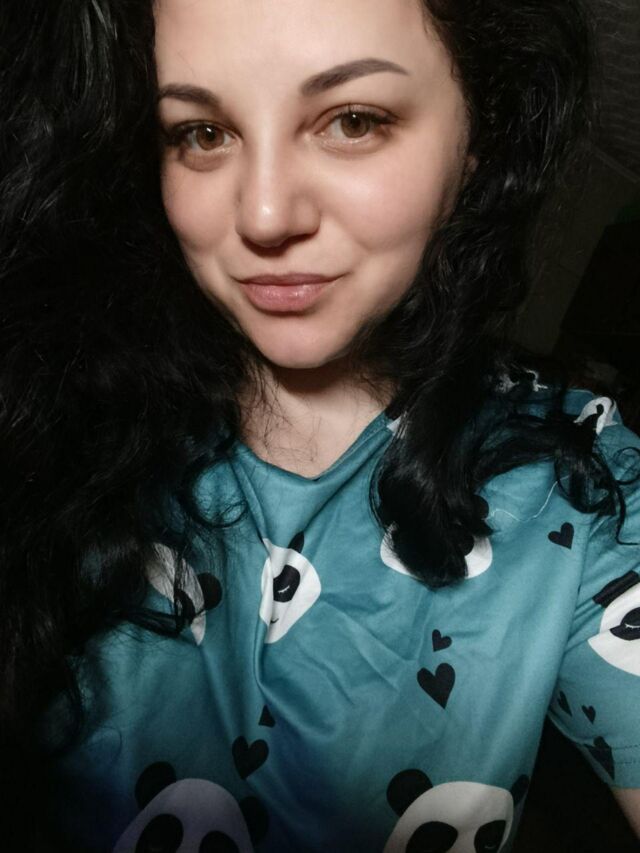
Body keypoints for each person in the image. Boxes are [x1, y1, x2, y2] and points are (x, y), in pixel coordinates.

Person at [1, 0, 639, 850]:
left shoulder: (581, 483)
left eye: (352, 120)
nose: (264, 215)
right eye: (202, 133)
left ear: (479, 139)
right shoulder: (40, 412)